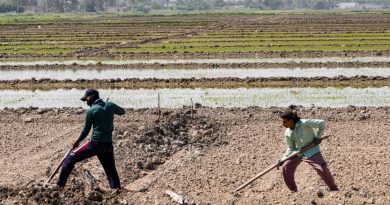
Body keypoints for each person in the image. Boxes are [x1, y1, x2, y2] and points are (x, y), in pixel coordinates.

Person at [57, 89, 125, 189]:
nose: (86, 102)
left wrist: (78, 141)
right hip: (107, 145)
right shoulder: (110, 106)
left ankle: (59, 186)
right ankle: (116, 190)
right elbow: (122, 112)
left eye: (86, 100)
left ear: (91, 98)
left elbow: (86, 130)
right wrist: (109, 110)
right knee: (111, 171)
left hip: (95, 144)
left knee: (70, 158)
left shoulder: (91, 110)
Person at [278, 109, 338, 192]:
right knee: (286, 167)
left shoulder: (304, 123)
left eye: (285, 121)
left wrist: (318, 137)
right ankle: (293, 191)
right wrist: (283, 158)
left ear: (291, 120)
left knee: (322, 169)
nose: (283, 124)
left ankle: (334, 189)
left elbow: (322, 123)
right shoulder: (288, 132)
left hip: (312, 150)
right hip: (298, 152)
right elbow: (291, 147)